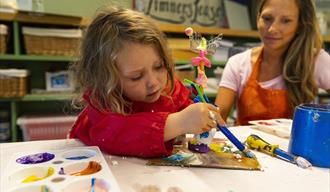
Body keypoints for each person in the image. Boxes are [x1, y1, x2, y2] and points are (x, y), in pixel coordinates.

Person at [69, 7, 221, 158]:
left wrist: (201, 116)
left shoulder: (168, 85)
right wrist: (179, 122)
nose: (153, 82)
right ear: (106, 79)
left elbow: (185, 108)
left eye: (159, 66)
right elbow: (115, 135)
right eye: (136, 76)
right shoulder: (102, 100)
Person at [215, 0, 330, 125]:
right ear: (258, 18)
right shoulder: (237, 63)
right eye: (267, 18)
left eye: (286, 21)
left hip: (294, 144)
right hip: (246, 144)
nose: (272, 29)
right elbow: (217, 119)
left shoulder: (315, 60)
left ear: (300, 25)